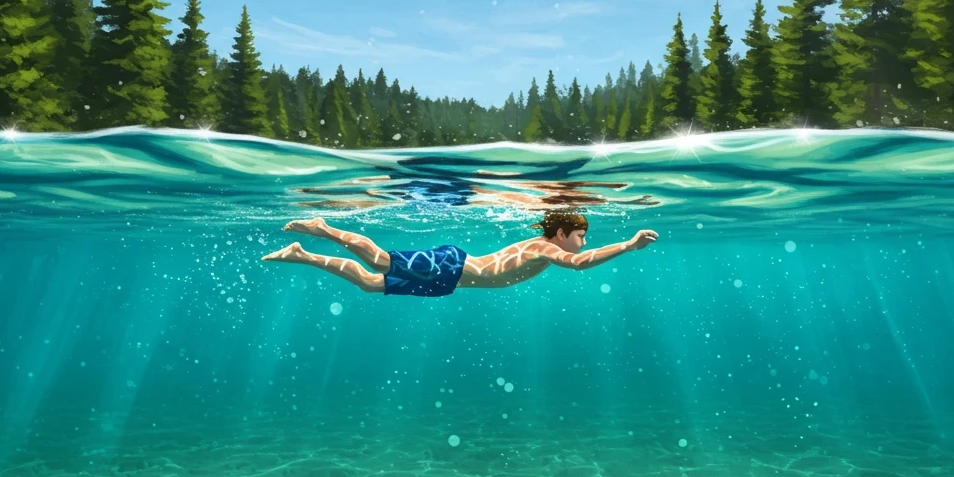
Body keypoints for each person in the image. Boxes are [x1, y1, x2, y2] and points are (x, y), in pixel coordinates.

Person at [260, 209, 658, 296]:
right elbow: (579, 265)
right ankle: (323, 228)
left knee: (369, 284)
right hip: (452, 264)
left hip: (450, 281)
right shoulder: (544, 248)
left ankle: (302, 254)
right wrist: (628, 245)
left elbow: (579, 259)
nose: (583, 241)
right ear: (561, 233)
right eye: (581, 235)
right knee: (379, 260)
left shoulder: (543, 248)